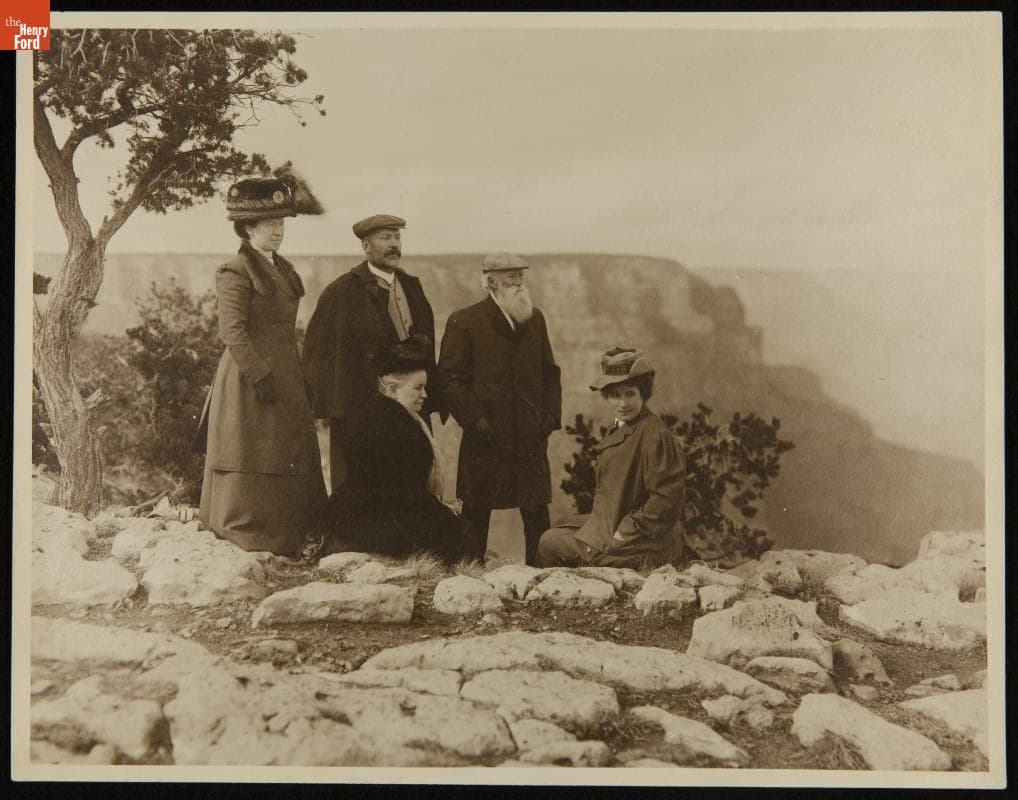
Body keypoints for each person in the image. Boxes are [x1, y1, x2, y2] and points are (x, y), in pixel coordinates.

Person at [198, 171, 327, 557]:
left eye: (281, 223)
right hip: (249, 376)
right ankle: (251, 531)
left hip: (286, 371)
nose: (278, 230)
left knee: (285, 448)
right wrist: (260, 376)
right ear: (248, 228)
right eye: (269, 224)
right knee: (252, 449)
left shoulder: (283, 269)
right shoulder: (235, 270)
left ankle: (289, 532)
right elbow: (232, 332)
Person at [302, 214, 443, 492]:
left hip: (409, 409)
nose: (394, 244)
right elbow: (317, 352)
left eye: (397, 237)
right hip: (362, 413)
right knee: (363, 489)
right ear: (366, 246)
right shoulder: (341, 292)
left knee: (411, 485)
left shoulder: (412, 287)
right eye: (385, 238)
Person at [437, 253, 562, 565]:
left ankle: (541, 574)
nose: (518, 283)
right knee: (476, 511)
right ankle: (468, 575)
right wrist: (475, 419)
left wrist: (549, 418)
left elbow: (550, 372)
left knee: (536, 511)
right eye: (510, 278)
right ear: (491, 282)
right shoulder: (465, 321)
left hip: (530, 437)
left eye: (520, 276)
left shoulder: (535, 319)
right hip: (486, 437)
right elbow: (450, 379)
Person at [318, 335, 464, 564]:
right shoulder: (394, 426)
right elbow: (403, 496)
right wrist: (445, 516)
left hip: (359, 516)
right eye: (418, 388)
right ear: (393, 389)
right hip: (374, 524)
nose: (425, 395)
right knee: (459, 539)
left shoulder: (380, 413)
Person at [536, 348, 686, 570]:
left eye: (630, 394)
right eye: (616, 395)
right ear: (607, 396)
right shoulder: (623, 426)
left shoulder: (655, 435)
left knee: (549, 543)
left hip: (643, 540)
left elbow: (666, 500)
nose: (623, 403)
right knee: (559, 526)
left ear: (643, 394)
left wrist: (625, 532)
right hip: (615, 522)